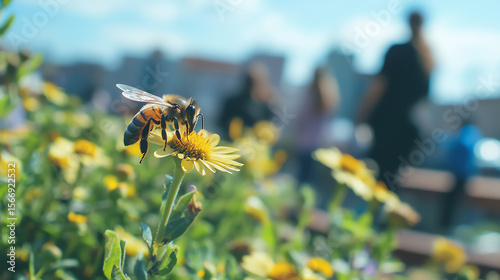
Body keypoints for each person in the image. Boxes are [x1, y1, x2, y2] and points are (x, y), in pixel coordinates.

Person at [357, 11, 434, 189]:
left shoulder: (397, 51)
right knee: (391, 184)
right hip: (408, 132)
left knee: (375, 180)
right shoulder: (427, 59)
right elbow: (424, 102)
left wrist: (360, 116)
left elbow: (377, 87)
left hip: (386, 126)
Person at [295, 67, 340, 185]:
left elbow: (302, 118)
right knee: (311, 178)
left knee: (301, 176)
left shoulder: (311, 94)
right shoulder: (330, 97)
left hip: (304, 142)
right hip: (320, 144)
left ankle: (298, 201)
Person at [219, 63, 276, 138]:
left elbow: (268, 129)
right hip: (230, 142)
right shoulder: (232, 102)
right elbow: (221, 122)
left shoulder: (265, 107)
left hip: (253, 146)